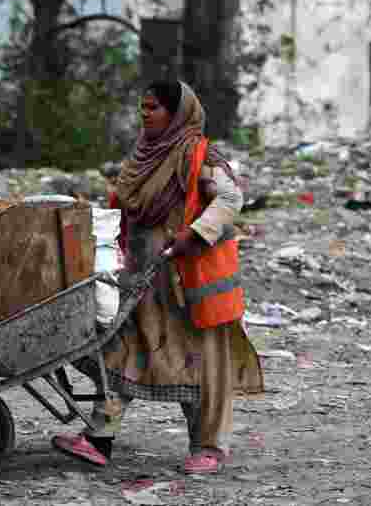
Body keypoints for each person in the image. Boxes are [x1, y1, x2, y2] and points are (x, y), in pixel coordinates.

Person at [52, 79, 264, 474]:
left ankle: (210, 448)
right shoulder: (144, 155)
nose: (145, 114)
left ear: (176, 113)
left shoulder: (200, 155)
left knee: (201, 361)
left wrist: (196, 233)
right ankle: (99, 438)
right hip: (144, 273)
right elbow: (127, 207)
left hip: (190, 276)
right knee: (122, 349)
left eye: (154, 108)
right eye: (143, 107)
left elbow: (231, 198)